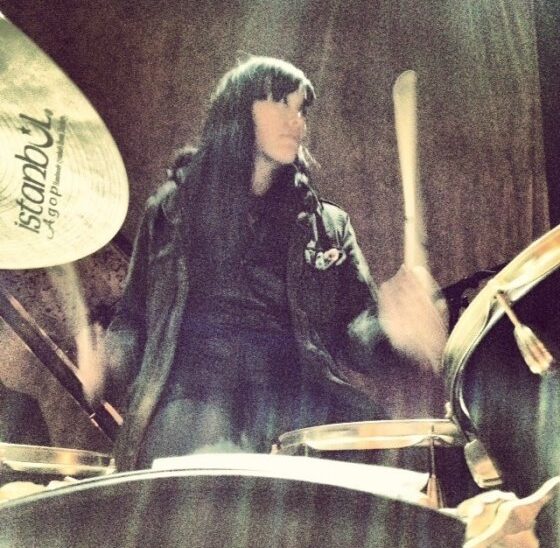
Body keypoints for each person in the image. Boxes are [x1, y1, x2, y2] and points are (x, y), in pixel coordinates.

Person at [104, 56, 448, 471]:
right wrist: (106, 365)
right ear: (237, 109)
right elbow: (131, 319)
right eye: (281, 102)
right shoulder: (171, 211)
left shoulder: (327, 226)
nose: (296, 120)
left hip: (292, 395)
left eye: (301, 109)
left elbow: (353, 332)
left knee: (400, 448)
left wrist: (396, 333)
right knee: (201, 447)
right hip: (193, 394)